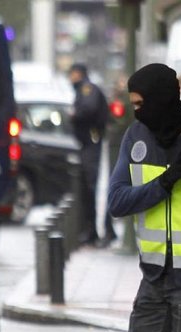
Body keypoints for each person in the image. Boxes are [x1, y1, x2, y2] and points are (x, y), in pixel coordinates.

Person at [108, 63, 181, 332]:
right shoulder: (135, 136)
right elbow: (116, 201)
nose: (137, 112)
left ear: (162, 98)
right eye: (133, 105)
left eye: (141, 103)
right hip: (152, 279)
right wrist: (164, 183)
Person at [68, 63, 116, 246]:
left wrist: (74, 114)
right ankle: (91, 230)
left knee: (90, 186)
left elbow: (88, 109)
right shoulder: (84, 89)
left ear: (78, 74)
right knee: (87, 187)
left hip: (91, 143)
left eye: (72, 75)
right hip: (88, 143)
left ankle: (93, 230)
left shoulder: (88, 89)